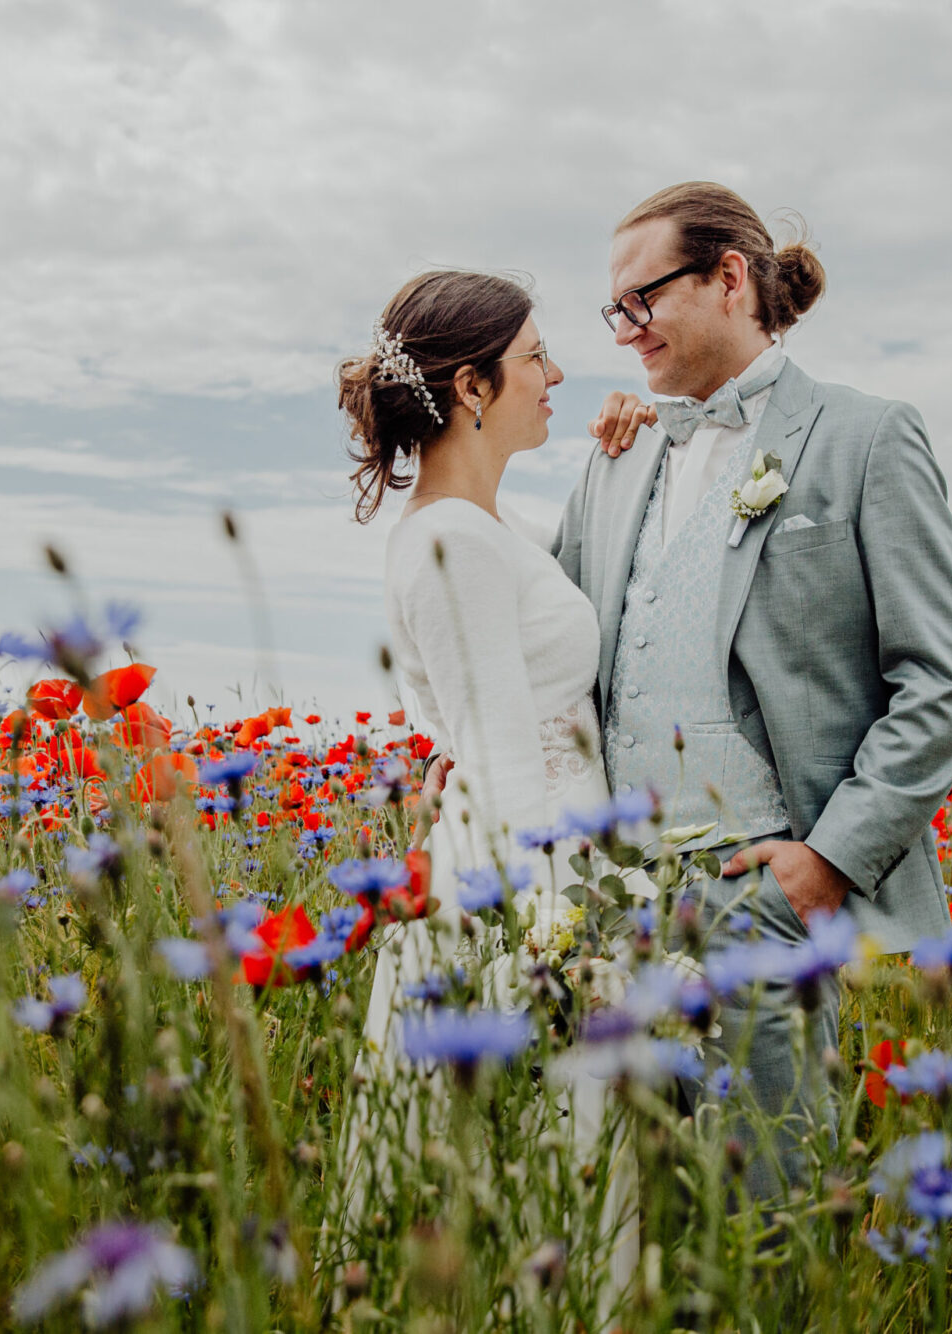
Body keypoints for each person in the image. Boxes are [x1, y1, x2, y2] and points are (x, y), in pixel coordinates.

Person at [558, 182, 952, 1198]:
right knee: (634, 1228)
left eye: (638, 300)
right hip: (614, 907)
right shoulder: (612, 462)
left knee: (769, 1216)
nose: (624, 332)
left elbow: (941, 679)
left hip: (768, 900)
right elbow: (562, 647)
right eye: (611, 311)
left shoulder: (866, 437)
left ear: (727, 277)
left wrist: (825, 862)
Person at [334, 269, 638, 1307]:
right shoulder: (448, 539)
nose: (555, 375)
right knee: (538, 1184)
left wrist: (614, 453)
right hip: (521, 890)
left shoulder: (490, 527)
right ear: (470, 385)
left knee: (553, 1187)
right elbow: (504, 759)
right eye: (534, 359)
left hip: (556, 863)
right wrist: (554, 946)